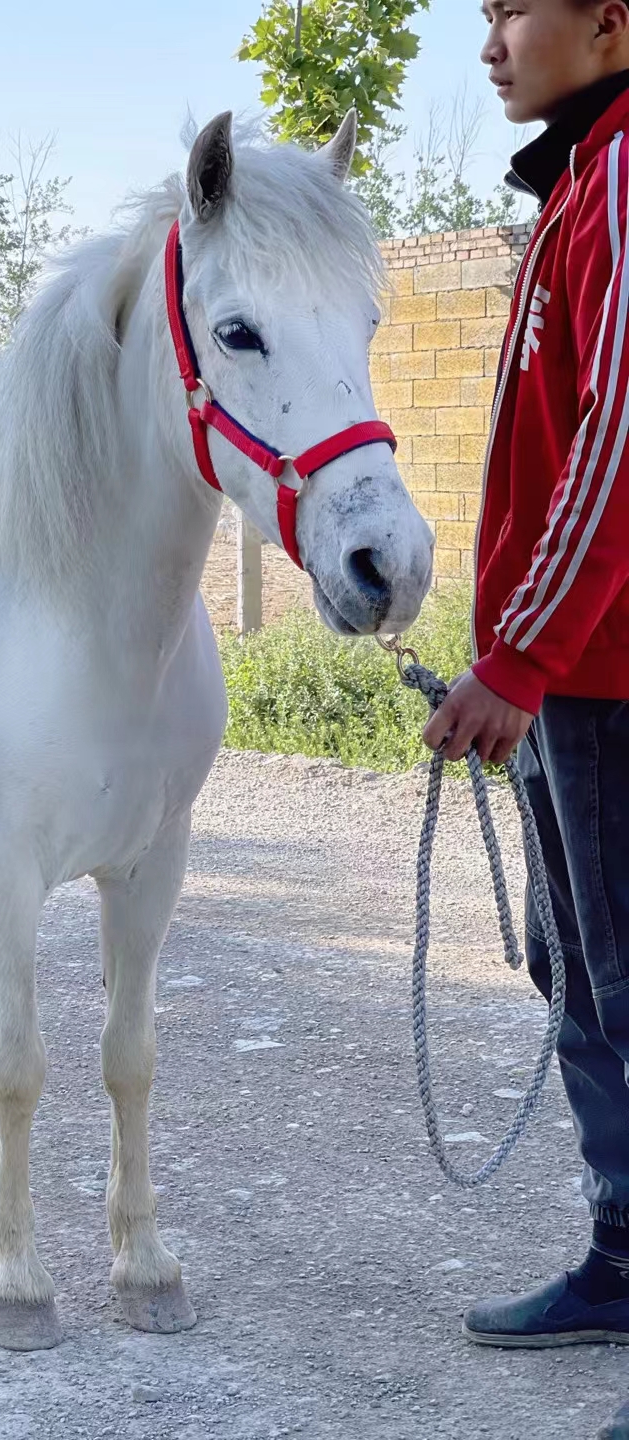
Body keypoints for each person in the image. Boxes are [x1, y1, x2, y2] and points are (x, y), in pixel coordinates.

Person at [422, 0, 629, 1352]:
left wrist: (520, 657)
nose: (490, 43)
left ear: (609, 22)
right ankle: (623, 1253)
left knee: (626, 981)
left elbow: (619, 437)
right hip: (573, 677)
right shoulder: (574, 185)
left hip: (606, 675)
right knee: (583, 977)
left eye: (514, 10)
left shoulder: (623, 178)